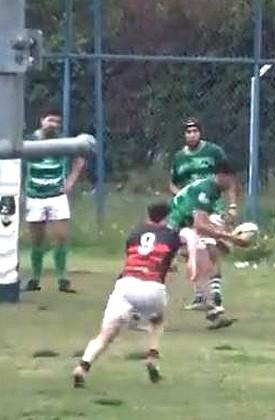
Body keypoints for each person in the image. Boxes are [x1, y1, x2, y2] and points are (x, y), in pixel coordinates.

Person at [72, 203, 193, 387]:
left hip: (126, 284)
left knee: (105, 334)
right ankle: (151, 356)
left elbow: (133, 256)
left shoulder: (134, 233)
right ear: (166, 217)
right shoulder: (172, 236)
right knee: (157, 321)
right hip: (153, 287)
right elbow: (175, 258)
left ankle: (83, 366)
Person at [166, 161, 247, 328]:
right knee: (161, 268)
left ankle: (214, 312)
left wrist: (221, 237)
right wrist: (230, 238)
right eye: (231, 181)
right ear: (222, 176)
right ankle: (135, 311)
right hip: (173, 226)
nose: (233, 185)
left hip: (183, 226)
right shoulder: (207, 190)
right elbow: (200, 225)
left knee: (207, 260)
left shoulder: (212, 190)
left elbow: (203, 222)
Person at [169, 117, 238, 311]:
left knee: (209, 249)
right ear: (184, 135)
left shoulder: (214, 152)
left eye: (195, 131)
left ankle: (215, 296)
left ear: (201, 133)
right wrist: (183, 195)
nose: (192, 135)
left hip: (211, 207)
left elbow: (229, 178)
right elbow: (172, 182)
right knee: (194, 249)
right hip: (189, 209)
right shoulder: (179, 157)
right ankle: (201, 296)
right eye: (188, 132)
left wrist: (232, 206)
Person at [23, 109, 86, 293]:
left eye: (57, 122)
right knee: (37, 240)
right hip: (35, 196)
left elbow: (80, 157)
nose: (54, 125)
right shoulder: (30, 141)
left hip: (56, 196)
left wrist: (70, 181)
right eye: (50, 120)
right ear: (42, 120)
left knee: (61, 237)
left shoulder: (62, 141)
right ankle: (35, 278)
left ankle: (62, 279)